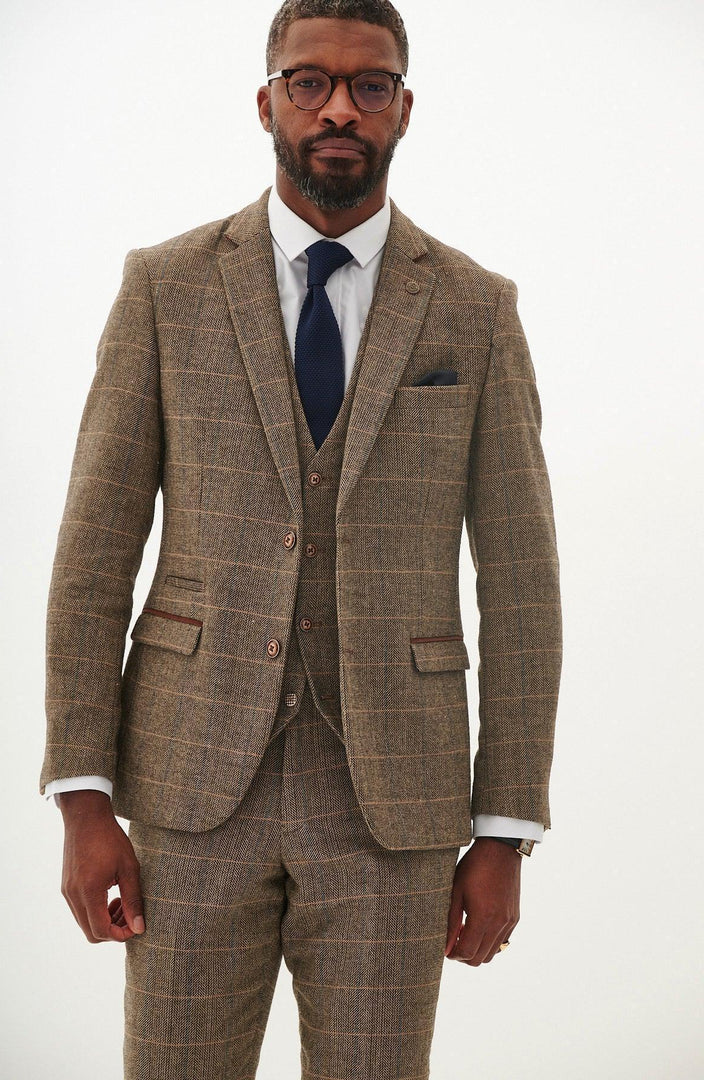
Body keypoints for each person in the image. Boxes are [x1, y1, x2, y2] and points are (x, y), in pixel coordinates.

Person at [40, 1, 563, 1076]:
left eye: (370, 85)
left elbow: (520, 585)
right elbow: (94, 557)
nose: (338, 106)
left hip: (396, 808)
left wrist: (504, 831)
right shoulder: (166, 286)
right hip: (190, 786)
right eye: (308, 80)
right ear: (266, 98)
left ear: (403, 108)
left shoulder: (475, 309)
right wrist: (83, 799)